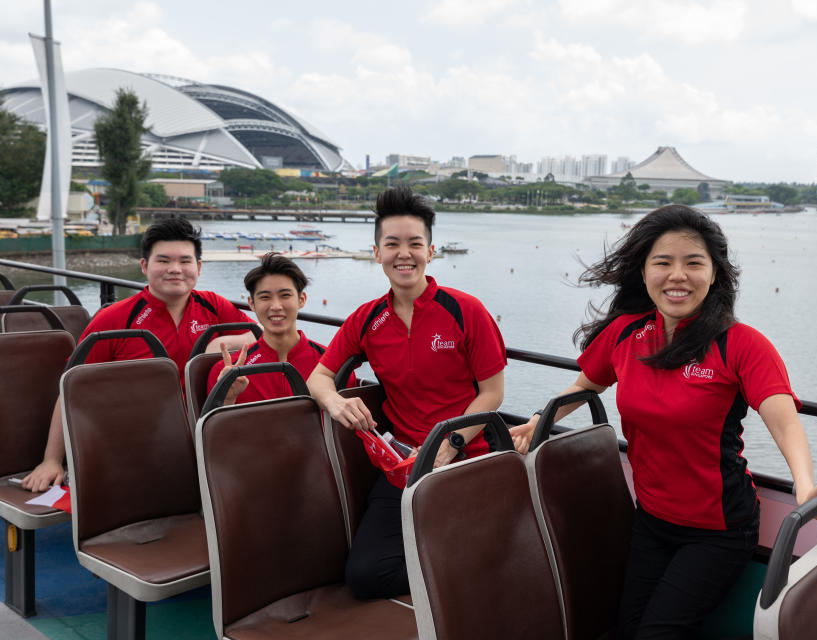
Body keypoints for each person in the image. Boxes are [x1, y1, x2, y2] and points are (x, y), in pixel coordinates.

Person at [509, 205, 817, 639]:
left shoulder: (741, 344)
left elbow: (784, 422)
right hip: (651, 520)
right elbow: (585, 387)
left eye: (694, 263)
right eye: (663, 262)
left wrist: (805, 486)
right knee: (627, 630)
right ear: (644, 272)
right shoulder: (624, 333)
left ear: (714, 275)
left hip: (719, 530)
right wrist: (537, 422)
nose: (678, 275)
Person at [306, 186, 506, 599]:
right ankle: (453, 571)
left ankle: (465, 569)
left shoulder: (465, 310)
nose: (404, 254)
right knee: (363, 577)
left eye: (415, 243)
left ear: (430, 252)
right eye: (392, 244)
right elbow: (318, 377)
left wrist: (449, 443)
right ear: (376, 252)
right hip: (404, 466)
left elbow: (492, 394)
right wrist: (336, 401)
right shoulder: (368, 319)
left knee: (489, 558)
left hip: (465, 460)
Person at [22, 216, 254, 492]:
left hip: (202, 436)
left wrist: (219, 343)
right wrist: (51, 460)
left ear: (199, 267)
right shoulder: (115, 318)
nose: (175, 269)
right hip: (136, 446)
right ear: (144, 266)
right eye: (164, 260)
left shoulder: (213, 306)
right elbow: (70, 389)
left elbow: (256, 335)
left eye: (185, 261)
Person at [207, 252, 356, 405]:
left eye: (285, 295)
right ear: (251, 304)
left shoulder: (331, 365)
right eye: (265, 297)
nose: (276, 306)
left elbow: (349, 425)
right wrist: (228, 397)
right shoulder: (226, 371)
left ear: (301, 299)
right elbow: (216, 428)